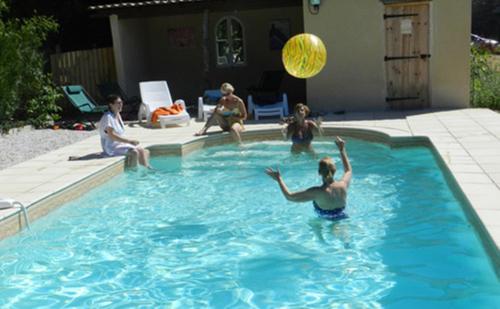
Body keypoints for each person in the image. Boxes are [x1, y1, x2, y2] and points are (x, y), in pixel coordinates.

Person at [265, 136, 352, 221]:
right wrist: (342, 149)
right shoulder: (343, 185)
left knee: (313, 224)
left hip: (325, 217)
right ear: (334, 170)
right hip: (342, 215)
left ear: (319, 172)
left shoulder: (316, 192)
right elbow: (348, 170)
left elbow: (290, 197)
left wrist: (279, 179)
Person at [99, 94, 152, 168]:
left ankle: (147, 169)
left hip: (119, 144)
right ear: (111, 105)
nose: (121, 105)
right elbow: (112, 135)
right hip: (111, 147)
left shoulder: (117, 114)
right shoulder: (108, 117)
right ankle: (139, 171)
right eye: (118, 103)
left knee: (144, 151)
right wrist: (129, 141)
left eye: (121, 102)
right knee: (134, 152)